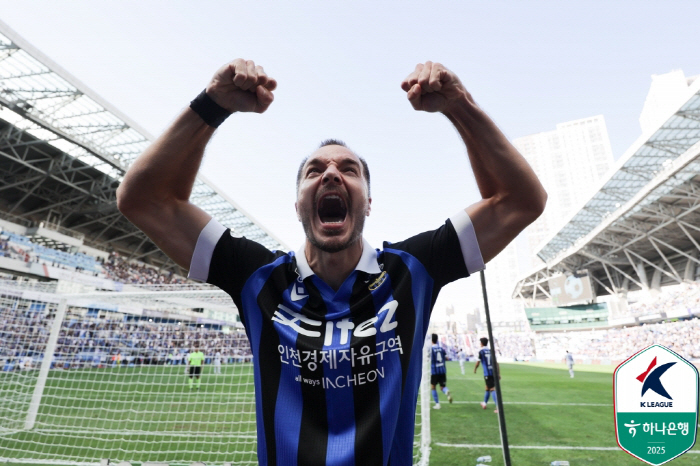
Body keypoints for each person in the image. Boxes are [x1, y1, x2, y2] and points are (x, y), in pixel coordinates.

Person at [117, 58, 546, 466]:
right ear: (298, 205)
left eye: (349, 169)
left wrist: (459, 106)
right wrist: (213, 104)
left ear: (368, 203)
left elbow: (522, 200)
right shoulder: (257, 277)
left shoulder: (412, 269)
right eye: (314, 170)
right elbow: (142, 199)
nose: (331, 174)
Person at [474, 337, 500, 413]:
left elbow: (478, 362)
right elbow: (496, 363)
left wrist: (475, 369)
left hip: (487, 373)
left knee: (492, 389)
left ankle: (498, 407)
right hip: (493, 372)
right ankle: (484, 403)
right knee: (487, 388)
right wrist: (498, 373)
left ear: (481, 343)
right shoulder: (491, 351)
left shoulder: (481, 352)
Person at [430, 333, 452, 409]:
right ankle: (446, 391)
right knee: (442, 387)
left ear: (431, 340)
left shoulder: (430, 349)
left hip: (434, 371)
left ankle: (437, 404)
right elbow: (447, 358)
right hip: (442, 370)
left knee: (433, 387)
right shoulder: (442, 349)